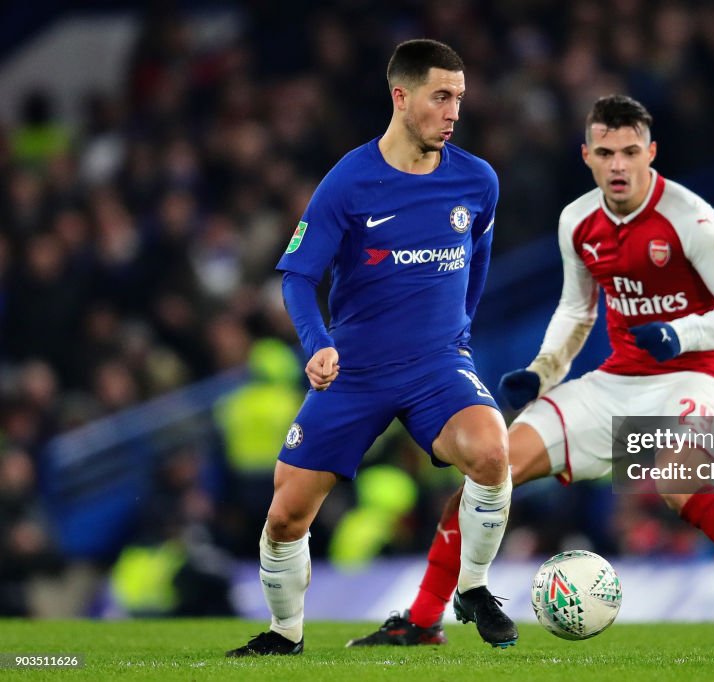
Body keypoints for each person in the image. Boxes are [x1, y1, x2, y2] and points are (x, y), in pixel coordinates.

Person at [349, 95, 714, 647]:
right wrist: (544, 370)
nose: (618, 165)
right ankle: (422, 621)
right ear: (586, 155)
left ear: (650, 153)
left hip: (692, 377)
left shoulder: (690, 218)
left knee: (680, 484)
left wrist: (681, 334)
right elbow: (577, 308)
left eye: (630, 151)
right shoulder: (578, 220)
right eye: (606, 152)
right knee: (487, 472)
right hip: (616, 380)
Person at [227, 39, 517, 656]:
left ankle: (473, 588)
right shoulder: (350, 181)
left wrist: (459, 332)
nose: (454, 112)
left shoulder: (477, 181)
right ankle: (285, 635)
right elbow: (300, 276)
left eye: (459, 98)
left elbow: (479, 260)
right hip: (355, 372)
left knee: (493, 453)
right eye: (442, 96)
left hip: (438, 367)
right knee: (286, 517)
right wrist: (317, 344)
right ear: (401, 96)